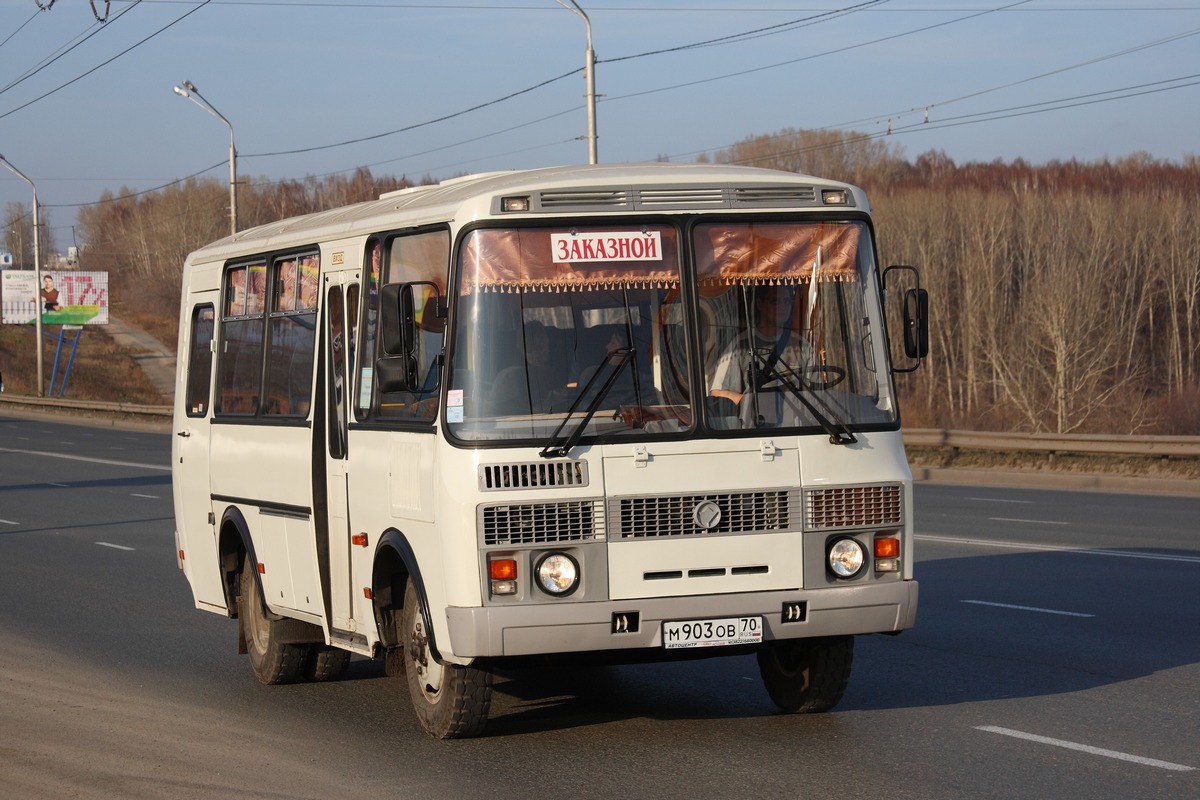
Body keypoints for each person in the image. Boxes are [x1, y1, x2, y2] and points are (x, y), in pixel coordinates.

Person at [709, 284, 815, 409]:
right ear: (760, 304)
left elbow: (818, 393)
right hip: (756, 424)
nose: (783, 306)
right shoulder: (741, 346)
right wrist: (755, 404)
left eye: (787, 301)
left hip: (796, 424)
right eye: (775, 301)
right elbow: (718, 393)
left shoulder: (801, 346)